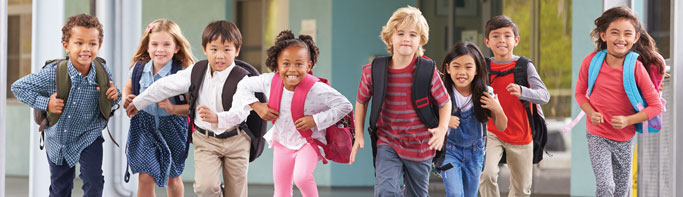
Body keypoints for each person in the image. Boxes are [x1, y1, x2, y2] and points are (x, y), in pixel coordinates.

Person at [126, 20, 252, 197]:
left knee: (236, 192)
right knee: (204, 188)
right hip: (206, 139)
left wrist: (217, 118)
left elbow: (241, 112)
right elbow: (163, 86)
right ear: (205, 49)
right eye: (214, 49)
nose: (220, 56)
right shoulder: (196, 72)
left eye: (226, 50)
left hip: (236, 139)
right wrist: (138, 103)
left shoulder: (242, 78)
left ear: (237, 50)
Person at [221, 30, 352, 197]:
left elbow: (344, 105)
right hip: (283, 142)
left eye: (299, 64)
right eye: (286, 63)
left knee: (302, 177)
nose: (292, 70)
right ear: (277, 64)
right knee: (281, 189)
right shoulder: (269, 81)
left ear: (309, 65)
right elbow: (243, 85)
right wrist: (257, 106)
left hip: (308, 142)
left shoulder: (316, 88)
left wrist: (315, 120)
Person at [11, 14, 121, 196]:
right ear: (66, 46)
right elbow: (18, 87)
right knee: (60, 188)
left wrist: (115, 95)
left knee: (94, 181)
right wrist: (47, 103)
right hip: (58, 139)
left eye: (92, 44)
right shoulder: (52, 73)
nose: (86, 49)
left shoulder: (102, 72)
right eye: (79, 43)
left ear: (99, 46)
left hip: (89, 135)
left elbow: (114, 97)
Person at [349, 6, 452, 197]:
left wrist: (442, 128)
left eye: (413, 35)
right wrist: (359, 134)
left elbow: (445, 102)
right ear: (390, 38)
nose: (406, 38)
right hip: (388, 141)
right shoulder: (373, 70)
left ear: (421, 40)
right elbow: (362, 101)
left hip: (421, 144)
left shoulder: (428, 71)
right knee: (386, 190)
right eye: (400, 33)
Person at [576, 6, 663, 196]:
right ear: (604, 35)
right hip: (597, 135)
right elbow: (580, 94)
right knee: (606, 186)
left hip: (625, 138)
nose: (621, 39)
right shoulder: (590, 62)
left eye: (627, 34)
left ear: (635, 38)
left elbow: (656, 106)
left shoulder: (636, 68)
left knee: (621, 191)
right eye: (614, 33)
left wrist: (627, 120)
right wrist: (591, 113)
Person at [122, 19, 195, 197]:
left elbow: (193, 107)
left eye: (166, 44)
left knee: (173, 177)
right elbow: (128, 86)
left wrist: (173, 109)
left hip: (173, 126)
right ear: (147, 46)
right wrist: (127, 98)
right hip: (143, 126)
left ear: (176, 47)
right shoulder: (139, 68)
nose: (159, 49)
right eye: (154, 44)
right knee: (145, 176)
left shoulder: (182, 73)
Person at [479, 15, 550, 197]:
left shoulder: (524, 66)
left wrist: (522, 91)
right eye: (495, 36)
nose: (501, 40)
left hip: (521, 133)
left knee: (521, 190)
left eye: (507, 35)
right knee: (486, 175)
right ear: (487, 41)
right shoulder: (483, 67)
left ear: (516, 40)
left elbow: (544, 96)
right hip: (492, 132)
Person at [439, 42, 507, 197]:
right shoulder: (441, 92)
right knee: (455, 194)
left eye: (468, 67)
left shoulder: (486, 93)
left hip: (475, 153)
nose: (462, 72)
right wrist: (444, 120)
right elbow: (428, 118)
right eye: (456, 66)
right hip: (450, 152)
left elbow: (502, 126)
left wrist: (497, 108)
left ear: (477, 69)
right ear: (448, 68)